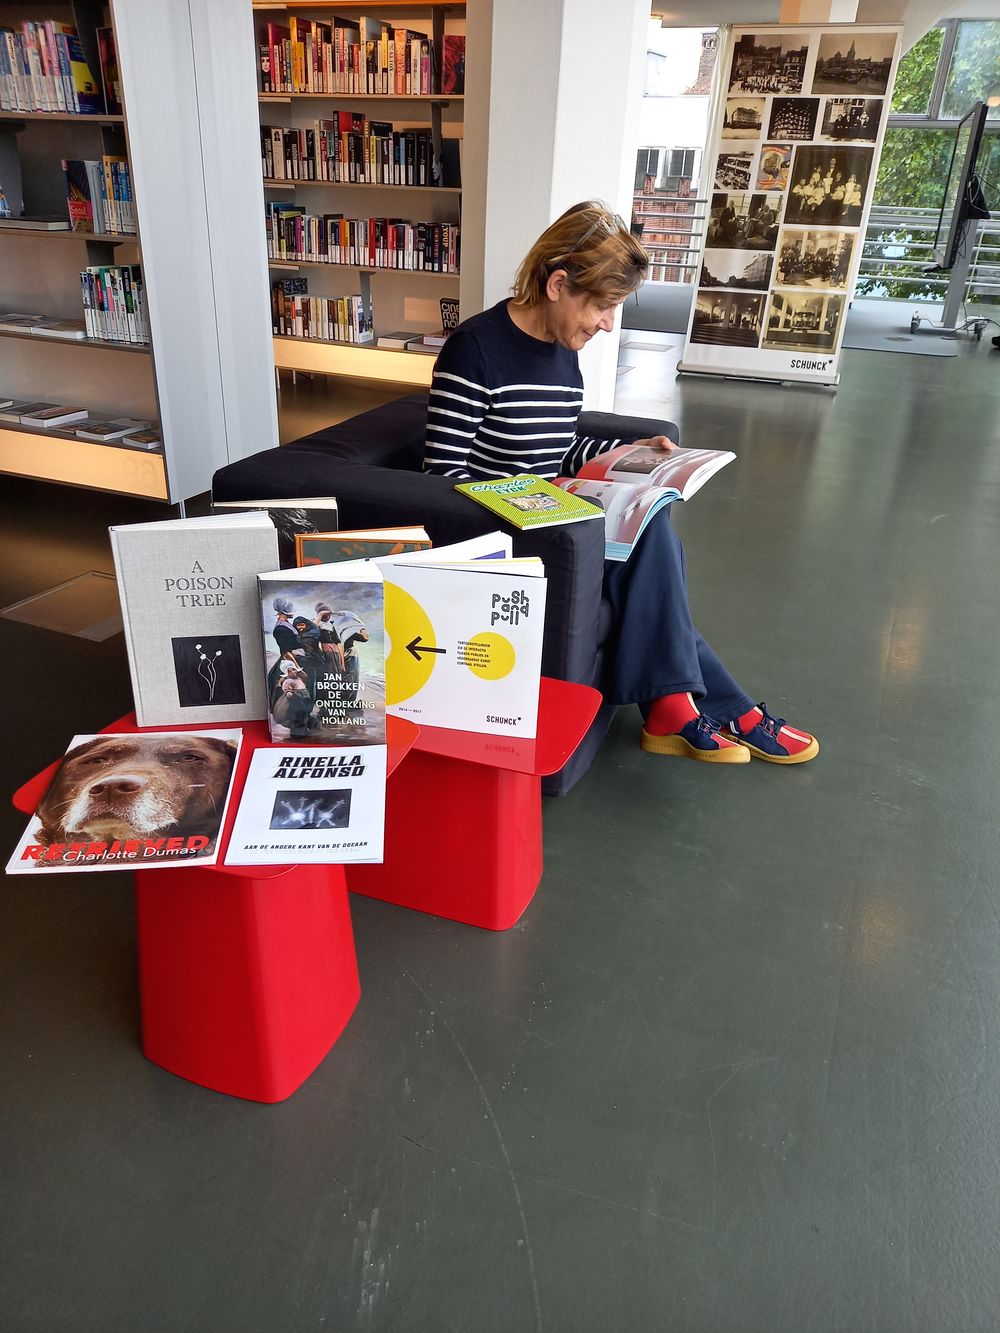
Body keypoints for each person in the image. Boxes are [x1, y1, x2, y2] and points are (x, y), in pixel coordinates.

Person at [423, 200, 818, 765]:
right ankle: (717, 710)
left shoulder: (563, 352)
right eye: (603, 306)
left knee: (650, 520)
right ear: (558, 283)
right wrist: (533, 496)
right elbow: (441, 482)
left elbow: (556, 448)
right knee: (652, 543)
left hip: (552, 519)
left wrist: (630, 456)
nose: (608, 324)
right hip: (502, 534)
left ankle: (677, 707)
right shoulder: (474, 350)